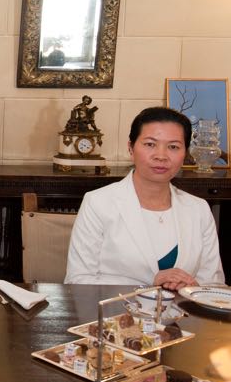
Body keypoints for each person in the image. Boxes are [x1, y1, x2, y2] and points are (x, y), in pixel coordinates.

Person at [65, 107, 225, 288]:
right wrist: (150, 286)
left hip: (184, 315)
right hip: (118, 314)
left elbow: (214, 285)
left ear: (185, 154)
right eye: (150, 144)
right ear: (130, 148)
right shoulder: (98, 203)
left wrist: (193, 288)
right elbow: (77, 281)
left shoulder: (199, 208)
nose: (161, 156)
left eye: (173, 147)